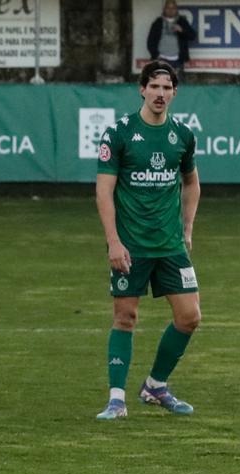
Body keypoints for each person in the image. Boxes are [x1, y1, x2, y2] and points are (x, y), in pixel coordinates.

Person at [94, 59, 201, 421]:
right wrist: (113, 242)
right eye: (153, 87)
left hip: (170, 245)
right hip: (132, 245)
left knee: (190, 317)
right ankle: (116, 399)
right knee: (126, 317)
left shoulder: (183, 136)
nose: (160, 93)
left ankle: (156, 385)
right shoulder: (119, 133)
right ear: (142, 89)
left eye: (166, 88)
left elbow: (191, 182)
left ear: (174, 93)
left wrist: (187, 229)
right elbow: (104, 192)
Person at [146, 1, 197, 80]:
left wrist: (182, 30)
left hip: (177, 61)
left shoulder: (182, 21)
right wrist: (156, 55)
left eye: (173, 8)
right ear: (164, 9)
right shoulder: (158, 22)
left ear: (176, 9)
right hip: (161, 59)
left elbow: (193, 36)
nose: (170, 10)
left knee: (177, 86)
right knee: (159, 84)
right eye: (168, 8)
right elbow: (150, 42)